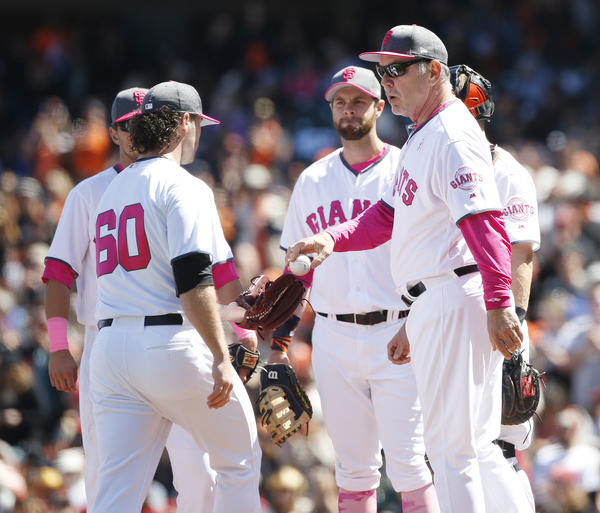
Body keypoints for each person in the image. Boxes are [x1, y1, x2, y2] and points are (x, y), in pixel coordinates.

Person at [285, 25, 530, 513]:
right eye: (383, 71)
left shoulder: (451, 134)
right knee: (473, 447)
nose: (388, 80)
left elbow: (485, 222)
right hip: (436, 297)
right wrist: (332, 237)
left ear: (434, 71)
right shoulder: (424, 132)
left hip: (453, 293)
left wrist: (502, 303)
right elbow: (386, 215)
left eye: (397, 70)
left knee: (451, 451)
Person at [43, 87, 260, 512]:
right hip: (172, 342)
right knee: (237, 460)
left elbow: (213, 275)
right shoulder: (184, 185)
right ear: (184, 123)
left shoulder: (111, 190)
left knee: (115, 492)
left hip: (111, 350)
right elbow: (194, 282)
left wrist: (241, 328)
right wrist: (222, 352)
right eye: (198, 124)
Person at [273, 66, 439, 513]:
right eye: (340, 102)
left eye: (359, 101)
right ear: (330, 108)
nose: (348, 109)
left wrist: (419, 318)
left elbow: (432, 252)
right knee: (352, 469)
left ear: (380, 106)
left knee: (410, 465)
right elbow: (298, 273)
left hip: (398, 330)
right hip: (333, 335)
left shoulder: (405, 166)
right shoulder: (312, 179)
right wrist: (280, 345)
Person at [450, 64, 541, 512]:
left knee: (495, 444)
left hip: (498, 318)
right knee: (457, 446)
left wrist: (515, 331)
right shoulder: (443, 163)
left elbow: (520, 253)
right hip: (458, 311)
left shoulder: (508, 172)